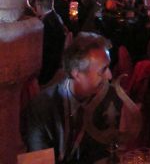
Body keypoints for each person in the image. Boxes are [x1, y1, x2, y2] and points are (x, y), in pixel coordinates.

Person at [22, 32, 141, 163]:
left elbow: (108, 153)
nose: (110, 76)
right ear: (77, 74)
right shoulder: (41, 108)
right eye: (103, 69)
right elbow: (38, 160)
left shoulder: (111, 98)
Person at [34, 0, 67, 86]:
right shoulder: (55, 16)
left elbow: (45, 48)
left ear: (39, 5)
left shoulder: (47, 23)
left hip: (49, 67)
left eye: (36, 5)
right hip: (55, 61)